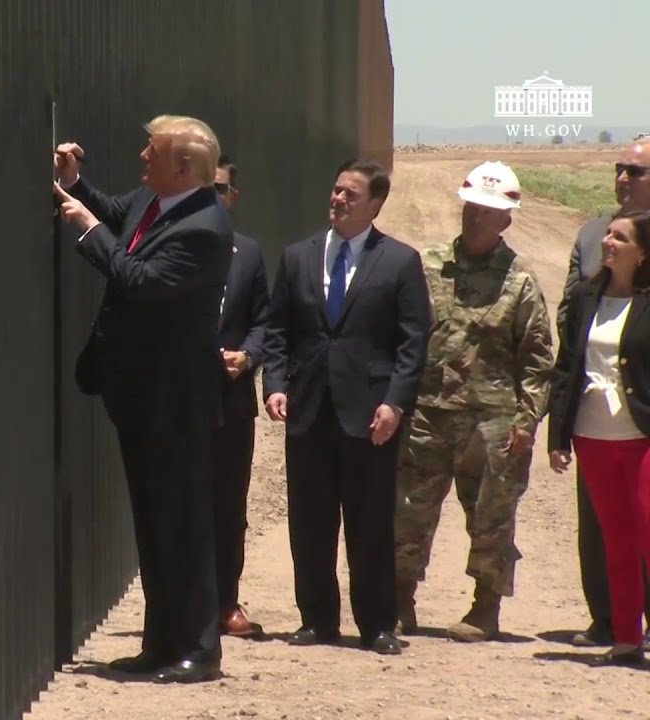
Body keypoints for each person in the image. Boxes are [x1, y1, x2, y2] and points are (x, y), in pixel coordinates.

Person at [52, 114, 233, 683]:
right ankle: (162, 643)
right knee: (154, 525)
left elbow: (139, 278)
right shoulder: (155, 201)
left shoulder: (204, 228)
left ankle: (199, 650)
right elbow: (117, 214)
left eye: (152, 151)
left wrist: (86, 230)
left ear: (184, 168)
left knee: (183, 525)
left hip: (175, 400)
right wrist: (74, 183)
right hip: (141, 394)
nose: (142, 157)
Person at [262, 159, 430, 656]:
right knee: (310, 522)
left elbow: (412, 342)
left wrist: (395, 403)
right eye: (336, 190)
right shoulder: (298, 257)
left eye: (350, 195)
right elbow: (278, 330)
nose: (337, 200)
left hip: (370, 415)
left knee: (370, 522)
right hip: (310, 409)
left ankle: (377, 624)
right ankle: (317, 620)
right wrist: (275, 383)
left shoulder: (399, 261)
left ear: (375, 204)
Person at [392, 161, 553, 643]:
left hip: (492, 422)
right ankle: (399, 600)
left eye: (488, 210)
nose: (476, 216)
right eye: (472, 207)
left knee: (491, 518)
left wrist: (526, 421)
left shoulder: (519, 280)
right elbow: (401, 335)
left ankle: (486, 606)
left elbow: (537, 359)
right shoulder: (428, 266)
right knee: (408, 511)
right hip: (428, 413)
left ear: (506, 218)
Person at [557, 139, 650, 649]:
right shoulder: (592, 233)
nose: (622, 177)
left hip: (642, 420)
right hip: (597, 420)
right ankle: (612, 623)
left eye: (635, 170)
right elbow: (571, 312)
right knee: (604, 528)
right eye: (619, 168)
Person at [210, 157, 270, 639]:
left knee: (229, 507)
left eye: (219, 189)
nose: (211, 197)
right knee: (178, 504)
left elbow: (264, 321)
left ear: (233, 197)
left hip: (230, 400)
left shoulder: (247, 253)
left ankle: (226, 603)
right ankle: (181, 605)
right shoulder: (169, 245)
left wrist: (248, 357)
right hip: (178, 400)